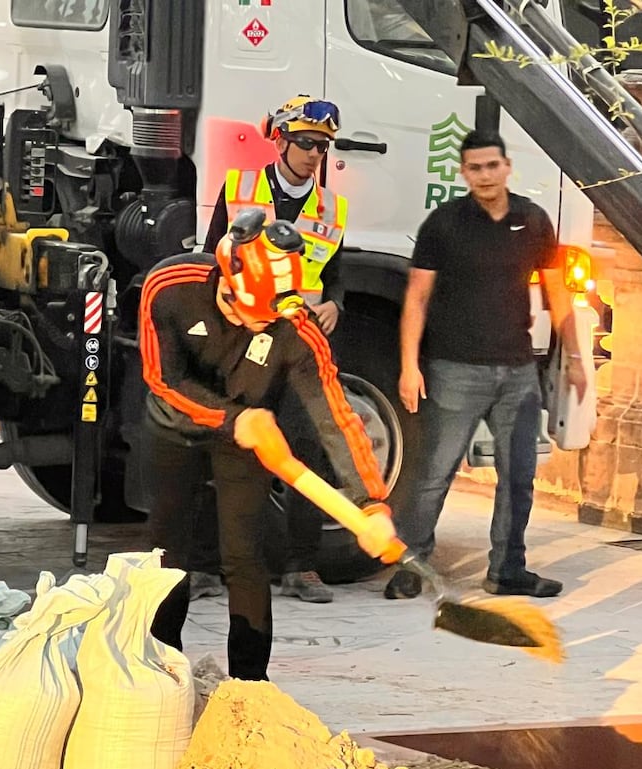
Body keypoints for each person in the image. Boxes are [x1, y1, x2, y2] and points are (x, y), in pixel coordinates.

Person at [139, 207, 394, 681]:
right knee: (167, 551)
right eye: (247, 313)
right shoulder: (170, 288)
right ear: (226, 279)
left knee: (245, 555)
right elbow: (161, 378)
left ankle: (250, 685)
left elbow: (335, 415)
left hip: (251, 438)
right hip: (177, 425)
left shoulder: (295, 327)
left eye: (267, 316)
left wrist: (370, 501)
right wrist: (232, 418)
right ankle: (159, 671)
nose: (258, 325)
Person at [384, 128, 588, 601]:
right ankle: (411, 564)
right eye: (475, 168)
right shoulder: (444, 224)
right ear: (464, 173)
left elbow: (558, 295)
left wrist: (573, 356)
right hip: (455, 370)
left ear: (507, 167)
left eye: (492, 165)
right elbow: (416, 298)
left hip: (518, 371)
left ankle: (507, 570)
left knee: (518, 476)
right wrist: (409, 366)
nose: (485, 175)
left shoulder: (533, 220)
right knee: (434, 474)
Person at [193, 94, 348, 604]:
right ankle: (206, 566)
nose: (313, 154)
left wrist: (336, 307)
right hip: (241, 343)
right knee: (227, 451)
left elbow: (335, 276)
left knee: (308, 453)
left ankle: (302, 568)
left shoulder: (331, 207)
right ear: (280, 140)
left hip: (299, 348)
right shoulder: (239, 189)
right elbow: (213, 260)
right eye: (305, 143)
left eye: (322, 147)